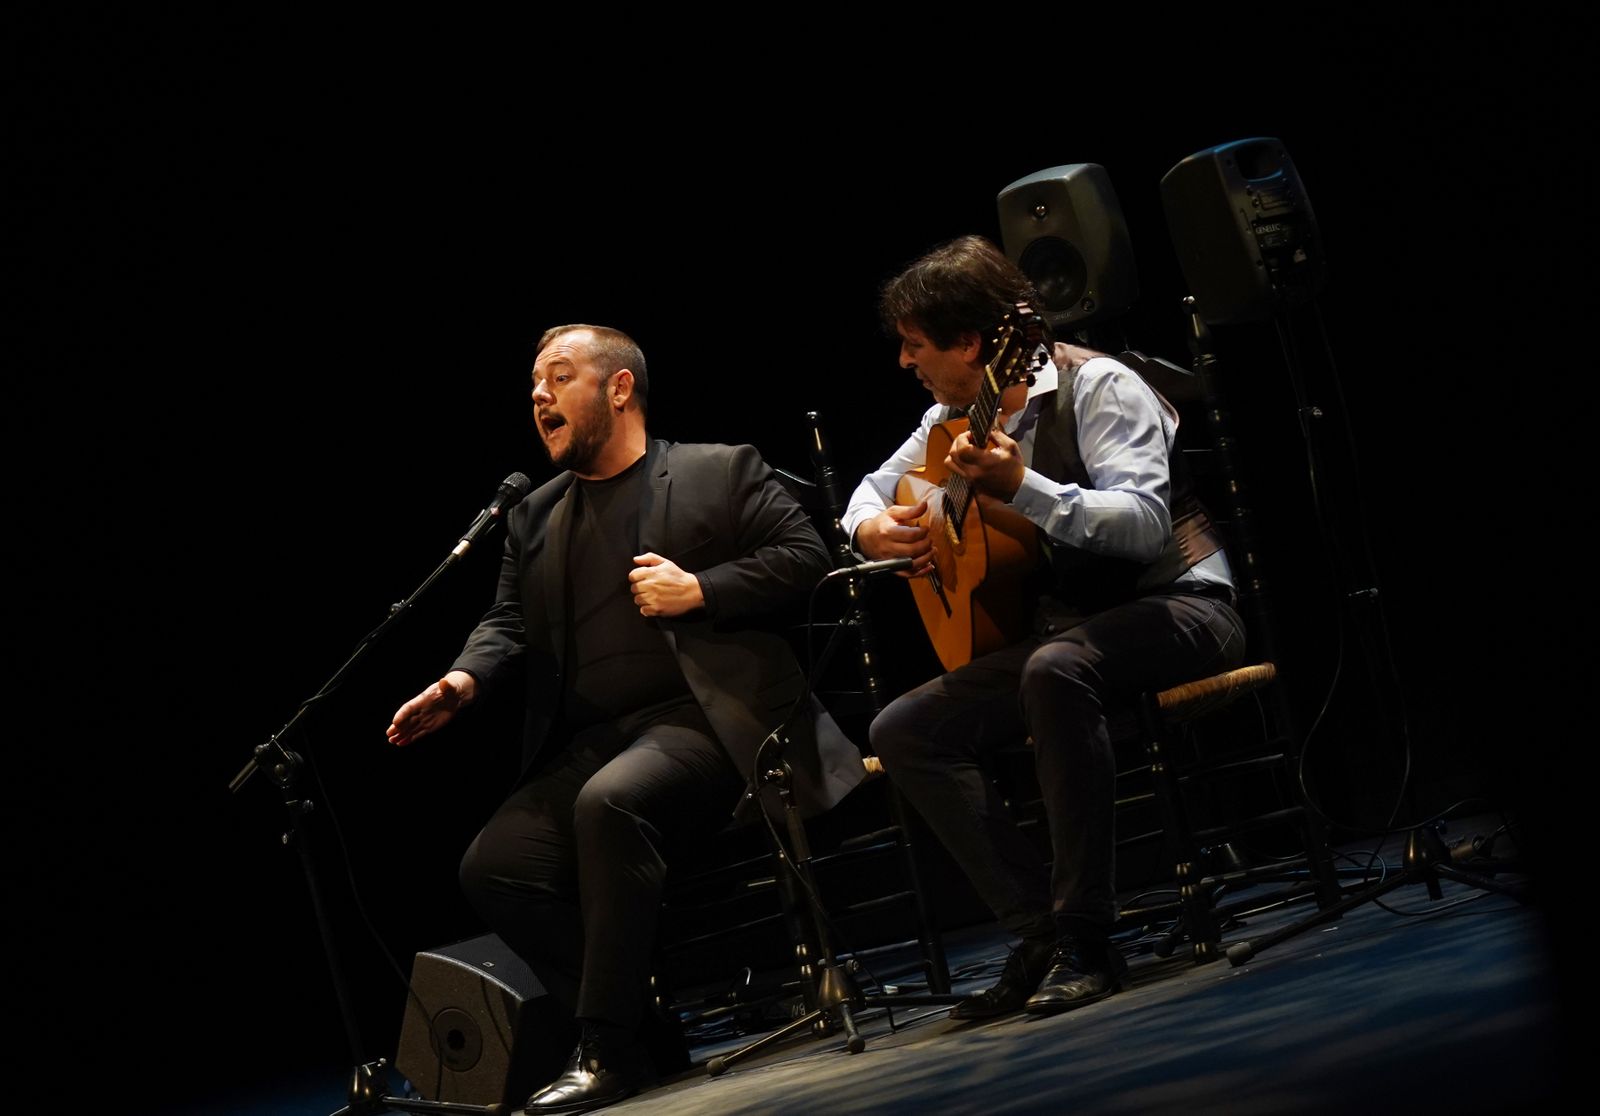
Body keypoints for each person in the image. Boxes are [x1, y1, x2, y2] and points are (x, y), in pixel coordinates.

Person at [387, 324, 864, 1114]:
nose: (538, 396)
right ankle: (646, 1032)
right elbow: (508, 620)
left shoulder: (718, 469)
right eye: (533, 384)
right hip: (601, 739)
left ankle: (605, 1046)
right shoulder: (534, 515)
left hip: (712, 721)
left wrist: (702, 589)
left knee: (609, 803)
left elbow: (808, 556)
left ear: (618, 389)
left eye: (558, 377)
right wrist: (463, 679)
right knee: (494, 865)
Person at [842, 235, 1246, 1019]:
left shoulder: (1101, 386)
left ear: (970, 343)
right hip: (1069, 633)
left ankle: (1086, 936)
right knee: (904, 729)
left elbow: (1143, 525)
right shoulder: (950, 418)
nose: (904, 361)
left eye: (915, 343)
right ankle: (1038, 932)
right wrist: (870, 531)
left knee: (1054, 670)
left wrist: (1022, 486)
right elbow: (871, 489)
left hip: (1183, 602)